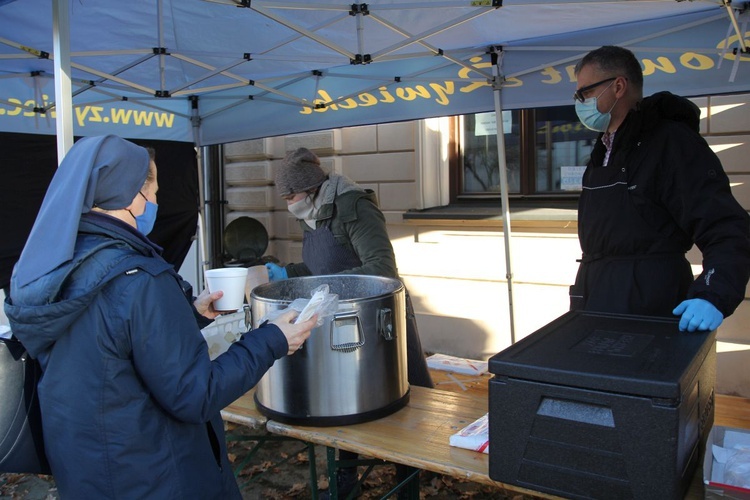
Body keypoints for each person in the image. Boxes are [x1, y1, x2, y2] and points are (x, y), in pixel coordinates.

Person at [4, 135, 316, 499]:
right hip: (155, 476)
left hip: (86, 471)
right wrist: (272, 340)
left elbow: (108, 343)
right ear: (132, 196)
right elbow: (195, 393)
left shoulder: (56, 268)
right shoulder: (139, 280)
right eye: (151, 193)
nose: (154, 203)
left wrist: (188, 317)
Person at [265, 147, 433, 498]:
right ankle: (347, 480)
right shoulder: (311, 213)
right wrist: (286, 273)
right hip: (340, 317)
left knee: (401, 400)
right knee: (345, 401)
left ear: (310, 188)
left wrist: (327, 288)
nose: (287, 203)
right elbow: (317, 267)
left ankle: (408, 482)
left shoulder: (354, 206)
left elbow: (382, 268)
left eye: (290, 195)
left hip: (380, 319)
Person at [570, 45, 750, 331]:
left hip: (649, 303)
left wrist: (714, 294)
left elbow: (726, 227)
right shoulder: (604, 150)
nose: (579, 102)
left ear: (618, 86)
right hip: (596, 297)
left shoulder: (671, 143)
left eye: (585, 93)